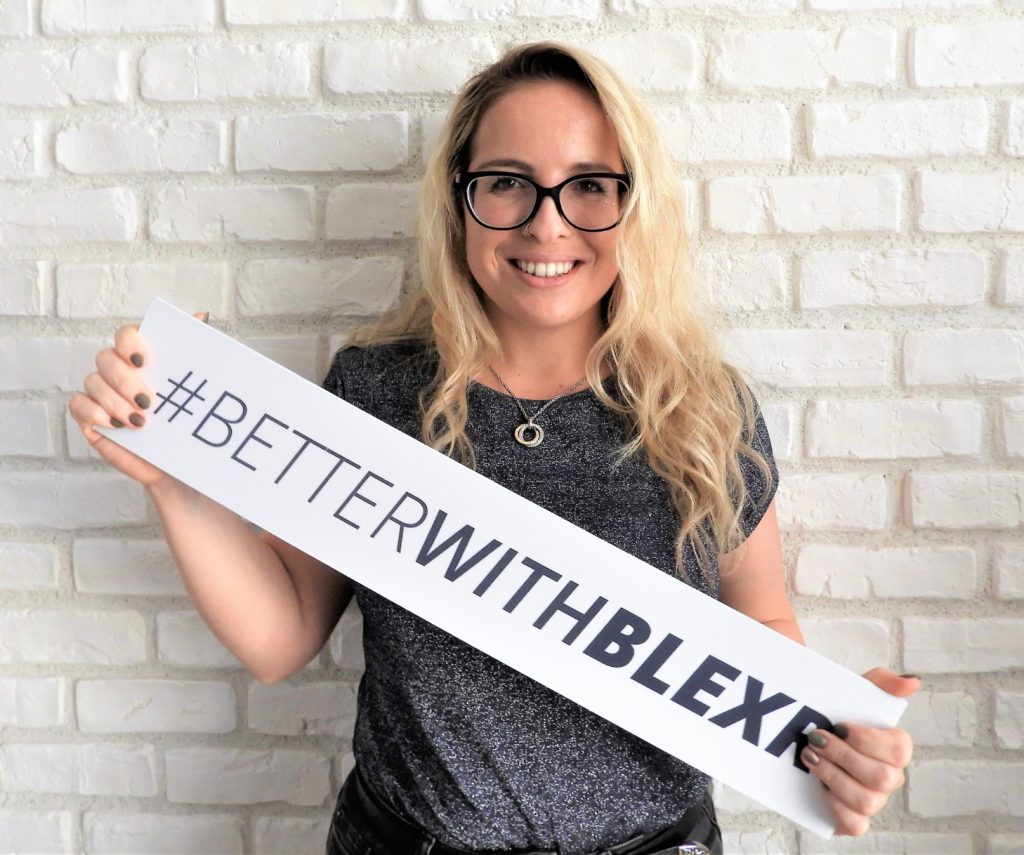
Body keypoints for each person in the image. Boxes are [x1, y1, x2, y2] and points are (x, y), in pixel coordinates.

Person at [69, 41, 916, 855]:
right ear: (458, 202)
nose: (548, 225)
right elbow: (283, 633)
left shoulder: (706, 411)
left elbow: (761, 620)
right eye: (507, 184)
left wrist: (828, 735)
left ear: (635, 207)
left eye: (589, 186)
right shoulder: (376, 392)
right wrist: (173, 482)